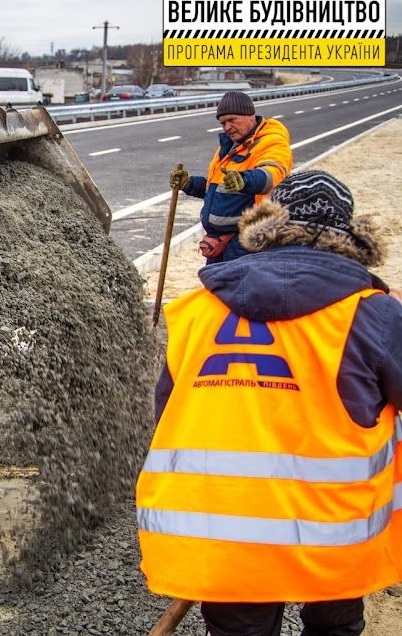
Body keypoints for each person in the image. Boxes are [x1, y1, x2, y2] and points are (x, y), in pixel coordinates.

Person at [137, 170, 402, 636]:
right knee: (333, 626)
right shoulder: (371, 312)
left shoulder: (199, 309)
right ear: (350, 234)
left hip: (221, 526)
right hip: (333, 528)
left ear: (269, 225)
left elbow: (169, 416)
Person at [168, 91, 292, 262]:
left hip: (248, 243)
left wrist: (245, 180)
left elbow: (273, 175)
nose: (227, 127)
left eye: (232, 120)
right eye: (223, 123)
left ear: (250, 116)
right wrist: (189, 184)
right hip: (219, 242)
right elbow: (217, 188)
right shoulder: (227, 148)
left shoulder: (271, 142)